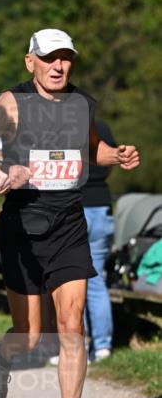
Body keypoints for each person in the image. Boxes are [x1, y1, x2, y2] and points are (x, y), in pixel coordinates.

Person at [0, 29, 139, 398]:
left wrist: (115, 155)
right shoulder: (12, 101)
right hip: (22, 230)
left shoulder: (81, 104)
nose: (58, 65)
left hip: (69, 225)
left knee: (71, 325)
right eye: (50, 57)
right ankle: (2, 357)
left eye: (66, 57)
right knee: (30, 336)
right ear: (30, 61)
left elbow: (93, 149)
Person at [81, 118, 117, 361]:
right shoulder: (101, 127)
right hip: (102, 205)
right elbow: (112, 159)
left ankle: (78, 344)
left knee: (71, 280)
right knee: (96, 280)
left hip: (74, 207)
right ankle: (103, 346)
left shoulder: (61, 126)